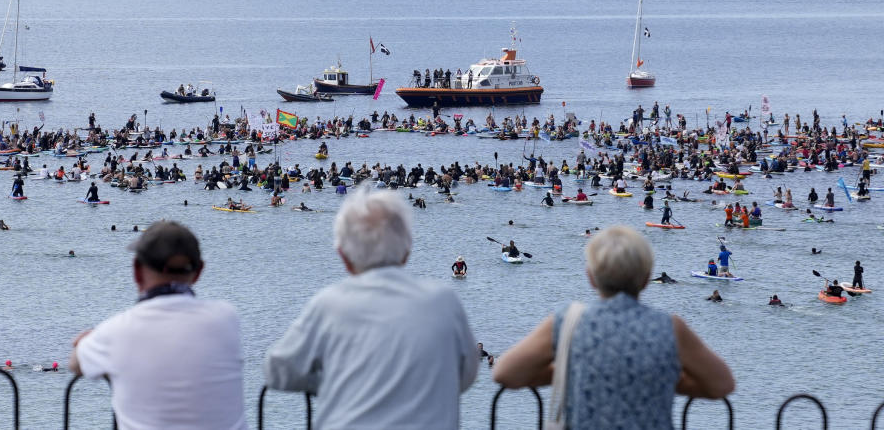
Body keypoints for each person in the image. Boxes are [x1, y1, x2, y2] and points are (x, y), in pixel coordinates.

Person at [264, 189, 478, 428]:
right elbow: (467, 374)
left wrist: (335, 380)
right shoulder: (444, 301)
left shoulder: (328, 304)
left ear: (343, 256)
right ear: (407, 251)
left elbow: (277, 371)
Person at [492, 226, 734, 428]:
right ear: (646, 277)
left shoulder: (568, 321)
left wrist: (579, 370)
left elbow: (506, 373)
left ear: (590, 277)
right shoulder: (671, 328)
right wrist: (659, 376)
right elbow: (721, 384)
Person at [69, 221, 247, 429]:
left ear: (136, 271)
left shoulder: (116, 331)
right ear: (198, 272)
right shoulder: (227, 318)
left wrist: (89, 341)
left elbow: (75, 364)